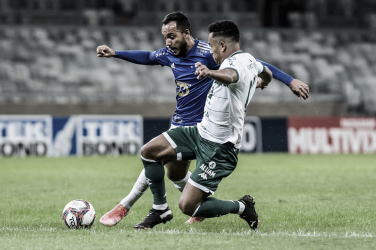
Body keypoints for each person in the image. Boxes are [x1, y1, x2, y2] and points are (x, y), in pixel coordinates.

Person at [96, 11, 309, 228]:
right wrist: (116, 53)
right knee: (166, 166)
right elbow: (148, 57)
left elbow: (250, 64)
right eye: (165, 37)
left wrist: (289, 80)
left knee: (174, 181)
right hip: (184, 124)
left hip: (210, 131)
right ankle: (173, 207)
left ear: (186, 33)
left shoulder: (210, 53)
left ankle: (132, 205)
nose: (168, 42)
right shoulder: (169, 54)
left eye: (172, 36)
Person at [136, 19, 273, 230]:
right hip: (199, 132)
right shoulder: (250, 60)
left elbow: (230, 76)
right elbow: (267, 72)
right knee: (149, 151)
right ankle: (160, 208)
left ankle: (242, 206)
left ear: (223, 46)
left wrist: (209, 72)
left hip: (220, 147)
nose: (210, 51)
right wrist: (262, 81)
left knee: (188, 205)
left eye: (211, 46)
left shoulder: (232, 65)